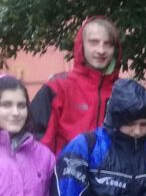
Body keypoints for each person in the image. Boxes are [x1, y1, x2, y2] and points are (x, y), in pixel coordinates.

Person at [30, 16, 124, 155]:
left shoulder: (123, 92)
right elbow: (37, 141)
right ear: (82, 45)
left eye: (108, 44)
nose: (101, 50)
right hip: (63, 173)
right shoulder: (58, 87)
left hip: (110, 175)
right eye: (94, 42)